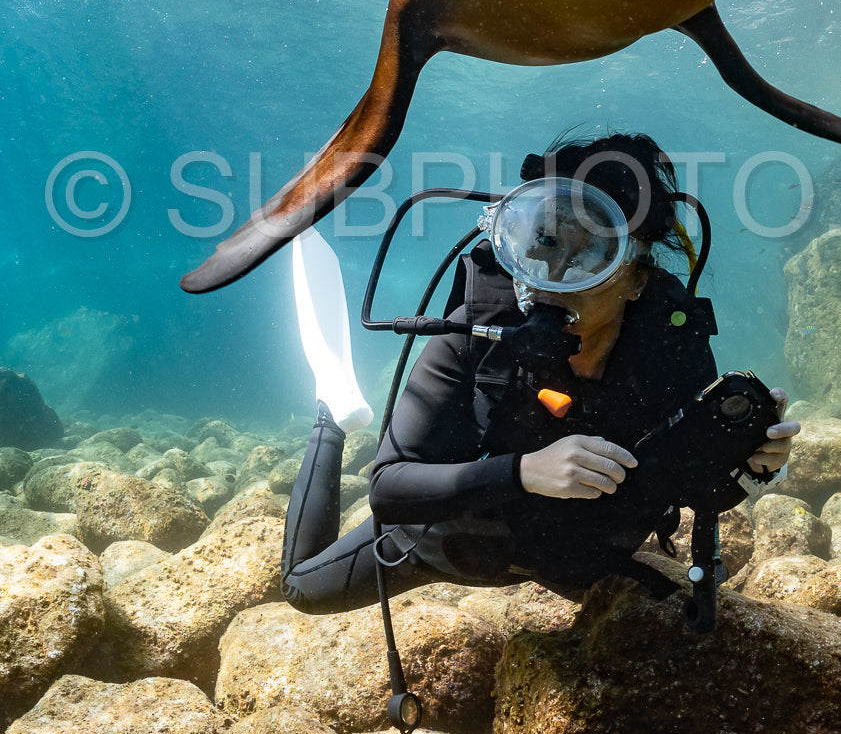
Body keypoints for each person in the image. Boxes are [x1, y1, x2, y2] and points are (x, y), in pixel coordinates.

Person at [280, 131, 800, 613]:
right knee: (302, 588)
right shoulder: (478, 330)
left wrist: (754, 466)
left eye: (591, 253)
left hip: (580, 555)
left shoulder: (668, 352)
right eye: (546, 242)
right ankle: (333, 411)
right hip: (454, 543)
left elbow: (693, 484)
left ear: (637, 279)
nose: (554, 275)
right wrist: (525, 472)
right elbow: (389, 490)